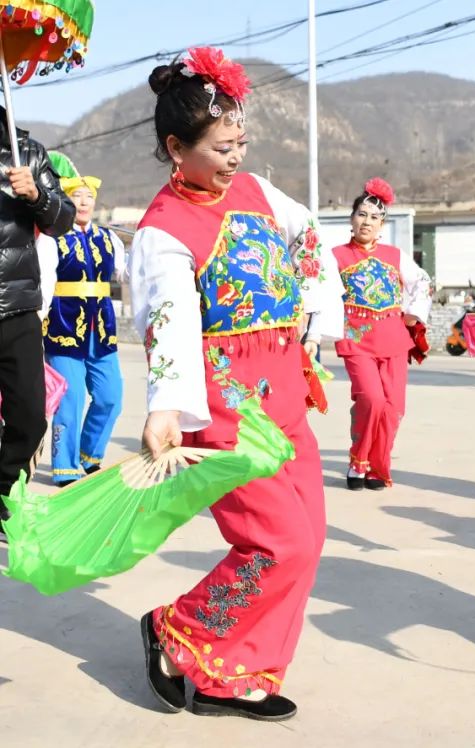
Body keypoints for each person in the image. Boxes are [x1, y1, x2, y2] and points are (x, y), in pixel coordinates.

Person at [129, 47, 344, 720]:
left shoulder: (254, 193)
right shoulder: (163, 233)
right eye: (222, 147)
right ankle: (177, 628)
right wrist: (167, 405)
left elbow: (306, 236)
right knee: (279, 542)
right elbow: (168, 320)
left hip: (284, 394)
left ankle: (236, 672)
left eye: (240, 142)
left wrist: (316, 313)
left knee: (309, 537)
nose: (235, 157)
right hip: (227, 407)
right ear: (176, 148)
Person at [0, 113, 75, 531]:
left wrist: (36, 197)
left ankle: (4, 487)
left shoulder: (26, 151)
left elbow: (62, 218)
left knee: (30, 416)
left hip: (18, 305)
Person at [332, 178, 431, 491]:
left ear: (382, 224)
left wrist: (414, 311)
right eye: (361, 214)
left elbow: (422, 281)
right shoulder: (335, 256)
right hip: (356, 338)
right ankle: (357, 460)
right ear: (351, 219)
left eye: (374, 217)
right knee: (372, 400)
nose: (367, 222)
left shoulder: (395, 255)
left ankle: (377, 466)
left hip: (393, 338)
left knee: (392, 409)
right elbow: (317, 290)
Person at [37, 174, 126, 486]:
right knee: (70, 400)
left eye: (89, 197)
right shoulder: (52, 240)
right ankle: (65, 467)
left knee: (110, 396)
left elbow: (126, 274)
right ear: (67, 202)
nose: (84, 202)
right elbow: (45, 284)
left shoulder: (110, 239)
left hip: (101, 330)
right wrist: (38, 321)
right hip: (64, 328)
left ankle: (89, 455)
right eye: (77, 196)